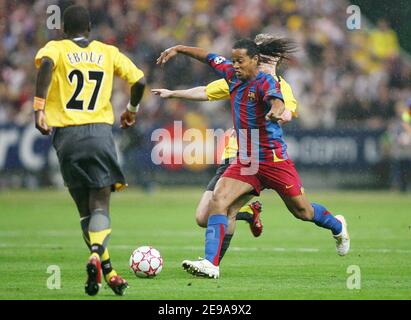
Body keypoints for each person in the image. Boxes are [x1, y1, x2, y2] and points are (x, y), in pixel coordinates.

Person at [157, 39, 350, 279]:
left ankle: (337, 225)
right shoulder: (230, 74)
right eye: (234, 60)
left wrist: (276, 111)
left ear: (254, 61)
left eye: (240, 61)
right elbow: (208, 56)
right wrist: (178, 48)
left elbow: (278, 102)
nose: (235, 65)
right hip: (246, 160)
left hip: (274, 160)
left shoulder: (266, 82)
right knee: (219, 199)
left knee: (303, 212)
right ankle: (210, 263)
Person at [152, 34, 298, 264]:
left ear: (276, 60)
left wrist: (280, 114)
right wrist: (173, 93)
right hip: (231, 154)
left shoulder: (280, 87)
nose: (264, 61)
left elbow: (287, 110)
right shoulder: (240, 78)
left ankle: (211, 264)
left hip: (253, 158)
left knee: (225, 209)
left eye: (269, 57)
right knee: (203, 217)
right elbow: (207, 91)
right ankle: (246, 216)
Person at [33, 5, 145, 295]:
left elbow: (45, 65)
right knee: (100, 205)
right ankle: (97, 253)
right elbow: (140, 80)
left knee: (84, 210)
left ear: (64, 29)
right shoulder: (107, 52)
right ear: (90, 29)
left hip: (66, 137)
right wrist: (131, 110)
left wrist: (39, 110)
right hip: (98, 133)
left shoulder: (55, 48)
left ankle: (108, 271)